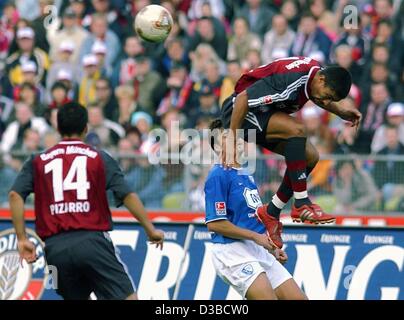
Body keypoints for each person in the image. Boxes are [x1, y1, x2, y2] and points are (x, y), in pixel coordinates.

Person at [8, 102, 164, 300]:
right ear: (85, 128)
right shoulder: (99, 157)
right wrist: (150, 229)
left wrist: (22, 238)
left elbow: (15, 195)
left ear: (58, 128)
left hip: (56, 248)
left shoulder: (38, 160)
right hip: (93, 241)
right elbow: (127, 194)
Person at [221, 56, 362, 249]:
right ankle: (301, 201)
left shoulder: (315, 77)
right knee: (297, 129)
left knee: (311, 157)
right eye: (328, 95)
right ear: (321, 80)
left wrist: (341, 112)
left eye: (331, 100)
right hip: (240, 110)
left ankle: (271, 212)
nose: (326, 101)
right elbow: (244, 98)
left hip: (263, 112)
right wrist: (231, 138)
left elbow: (316, 95)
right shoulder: (292, 78)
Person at [205, 119, 306, 300]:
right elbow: (215, 224)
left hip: (256, 248)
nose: (235, 140)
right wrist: (256, 237)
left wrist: (272, 249)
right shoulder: (217, 175)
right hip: (231, 251)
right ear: (219, 148)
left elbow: (253, 220)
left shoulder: (246, 174)